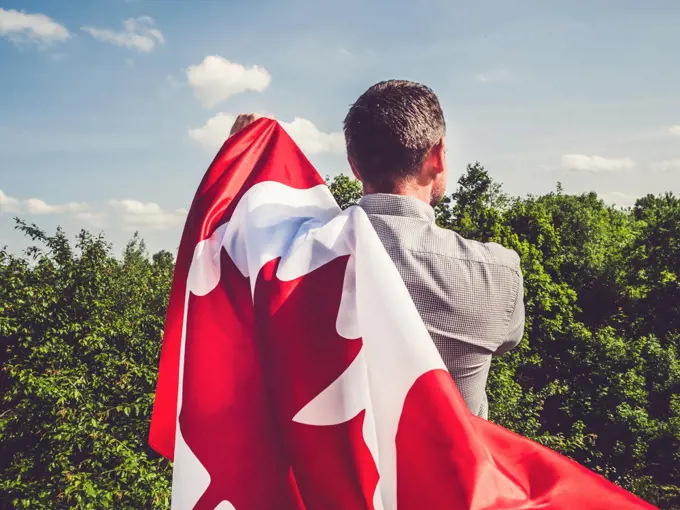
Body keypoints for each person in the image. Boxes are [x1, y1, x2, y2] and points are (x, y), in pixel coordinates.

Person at [229, 80, 525, 419]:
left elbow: (237, 251)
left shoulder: (290, 262)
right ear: (438, 156)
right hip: (451, 471)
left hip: (330, 471)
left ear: (354, 166)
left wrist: (244, 156)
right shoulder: (496, 274)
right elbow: (508, 339)